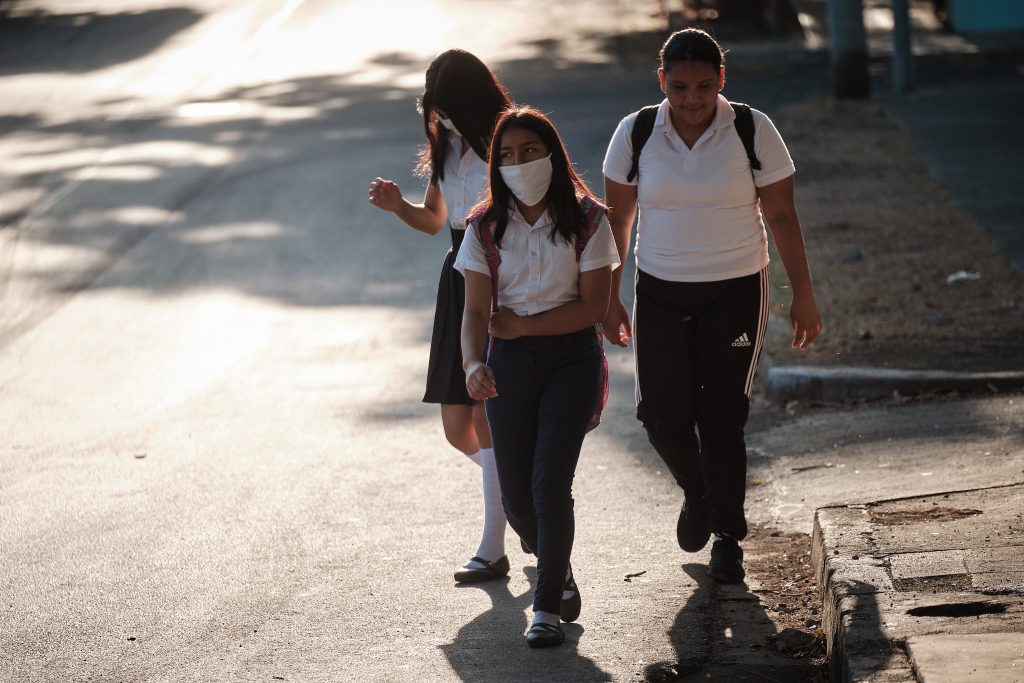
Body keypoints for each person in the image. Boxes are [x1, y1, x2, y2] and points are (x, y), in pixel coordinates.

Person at [601, 29, 822, 584]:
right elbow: (617, 224)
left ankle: (727, 535)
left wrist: (804, 294)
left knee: (722, 417)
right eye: (679, 87)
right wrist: (608, 298)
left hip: (736, 290)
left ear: (722, 79)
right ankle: (697, 494)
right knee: (659, 415)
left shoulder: (752, 129)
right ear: (662, 82)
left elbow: (783, 218)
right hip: (659, 289)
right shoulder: (636, 132)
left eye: (703, 85)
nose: (692, 98)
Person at [456, 106, 620, 647]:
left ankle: (546, 608)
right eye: (505, 155)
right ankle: (558, 567)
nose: (518, 163)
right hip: (508, 367)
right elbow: (476, 312)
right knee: (518, 495)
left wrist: (523, 327)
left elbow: (593, 307)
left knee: (551, 484)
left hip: (570, 360)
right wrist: (473, 364)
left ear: (552, 153)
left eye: (529, 151)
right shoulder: (484, 226)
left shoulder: (590, 219)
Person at [367, 49, 513, 583]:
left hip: (502, 278)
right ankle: (519, 500)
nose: (439, 117)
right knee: (457, 428)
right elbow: (434, 221)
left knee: (482, 414)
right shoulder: (446, 146)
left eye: (446, 108)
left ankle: (493, 546)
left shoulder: (508, 142)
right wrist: (397, 205)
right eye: (433, 109)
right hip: (459, 278)